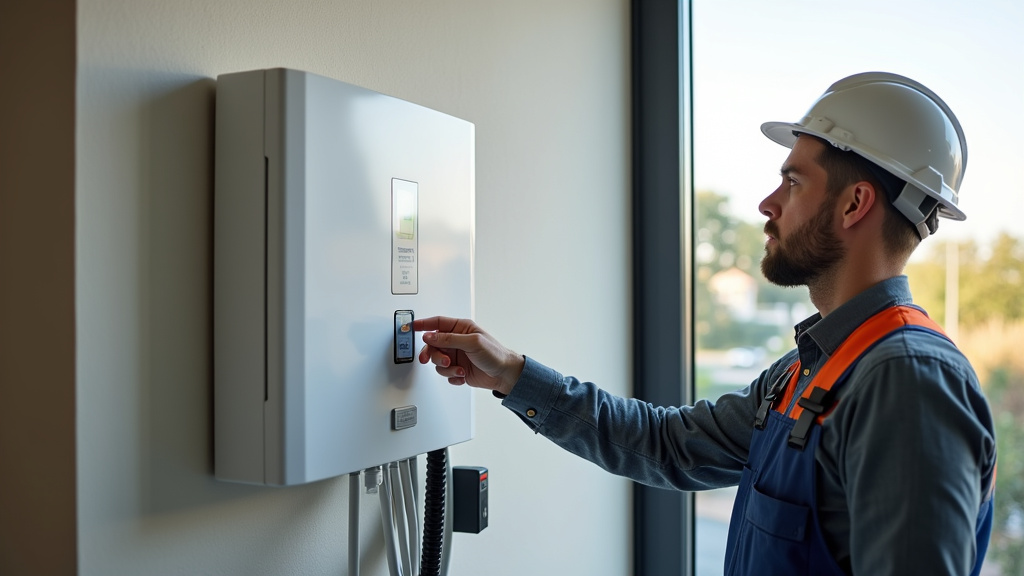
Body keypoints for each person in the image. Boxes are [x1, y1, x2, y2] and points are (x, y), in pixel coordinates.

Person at [412, 72, 997, 576]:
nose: (768, 204)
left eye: (793, 182)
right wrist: (511, 374)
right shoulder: (808, 371)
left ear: (854, 204)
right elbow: (668, 446)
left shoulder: (906, 382)